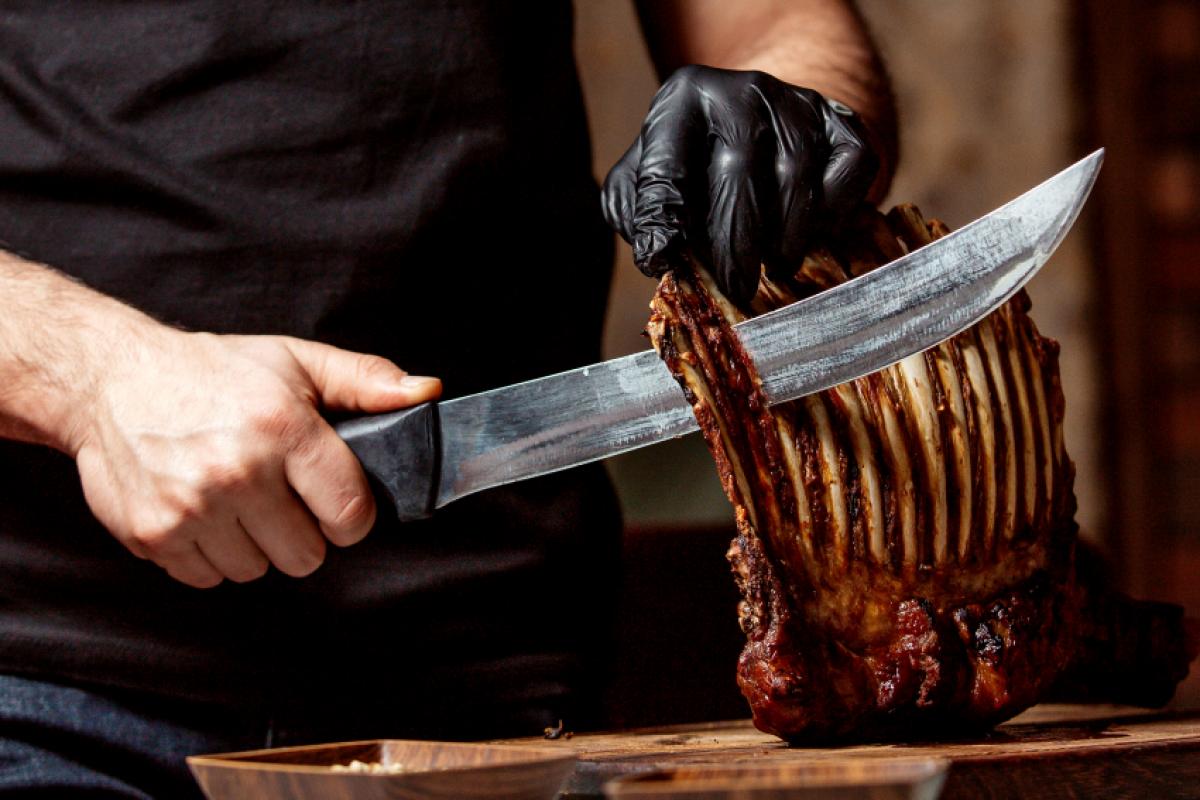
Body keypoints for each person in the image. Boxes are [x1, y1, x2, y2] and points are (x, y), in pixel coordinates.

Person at [0, 1, 895, 796]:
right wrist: (92, 376)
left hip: (495, 703)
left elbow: (781, 22)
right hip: (45, 694)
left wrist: (790, 118)